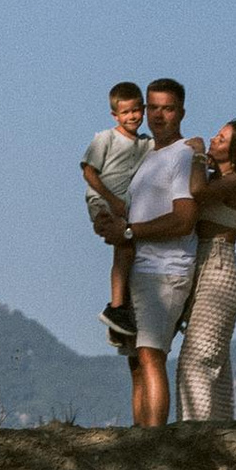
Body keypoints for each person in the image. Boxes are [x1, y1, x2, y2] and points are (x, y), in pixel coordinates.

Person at [121, 77, 202, 429]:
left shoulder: (182, 155)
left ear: (181, 112)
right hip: (141, 268)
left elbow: (184, 219)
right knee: (136, 360)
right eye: (152, 107)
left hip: (166, 269)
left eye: (167, 109)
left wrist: (131, 231)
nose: (158, 115)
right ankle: (140, 435)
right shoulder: (148, 156)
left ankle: (155, 438)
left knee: (151, 354)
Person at [175, 118, 236, 422]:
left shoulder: (235, 182)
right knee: (214, 363)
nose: (214, 139)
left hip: (218, 270)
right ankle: (217, 431)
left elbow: (197, 192)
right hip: (210, 268)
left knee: (196, 362)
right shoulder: (222, 180)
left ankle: (194, 432)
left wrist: (199, 155)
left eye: (222, 139)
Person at [80, 82, 148, 352]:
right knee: (124, 243)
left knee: (130, 251)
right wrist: (111, 200)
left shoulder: (146, 144)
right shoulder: (106, 139)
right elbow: (89, 171)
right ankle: (116, 308)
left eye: (136, 110)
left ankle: (120, 319)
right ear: (115, 115)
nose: (132, 116)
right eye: (126, 112)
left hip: (126, 208)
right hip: (104, 202)